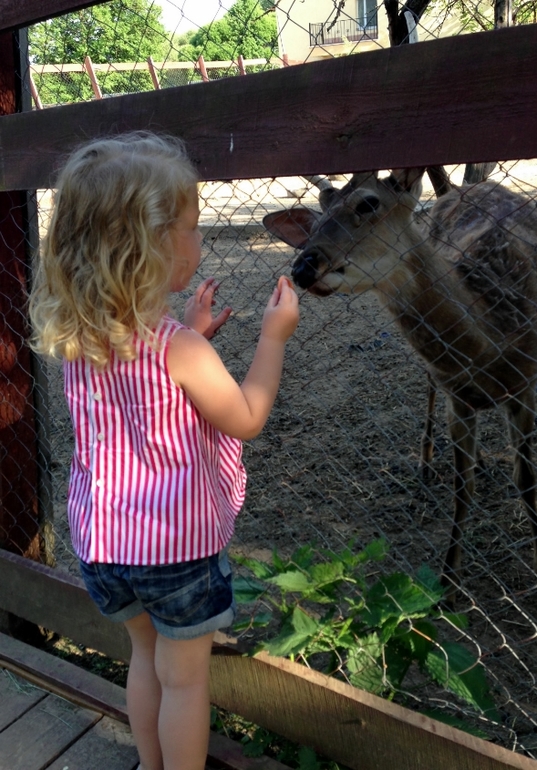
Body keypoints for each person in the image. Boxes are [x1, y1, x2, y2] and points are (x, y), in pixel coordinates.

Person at [28, 132, 299, 770]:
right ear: (148, 248)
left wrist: (196, 332)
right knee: (186, 681)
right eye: (192, 228)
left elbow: (142, 394)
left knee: (145, 658)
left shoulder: (81, 337)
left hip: (105, 548)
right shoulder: (180, 350)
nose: (200, 241)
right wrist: (274, 336)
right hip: (175, 555)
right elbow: (248, 416)